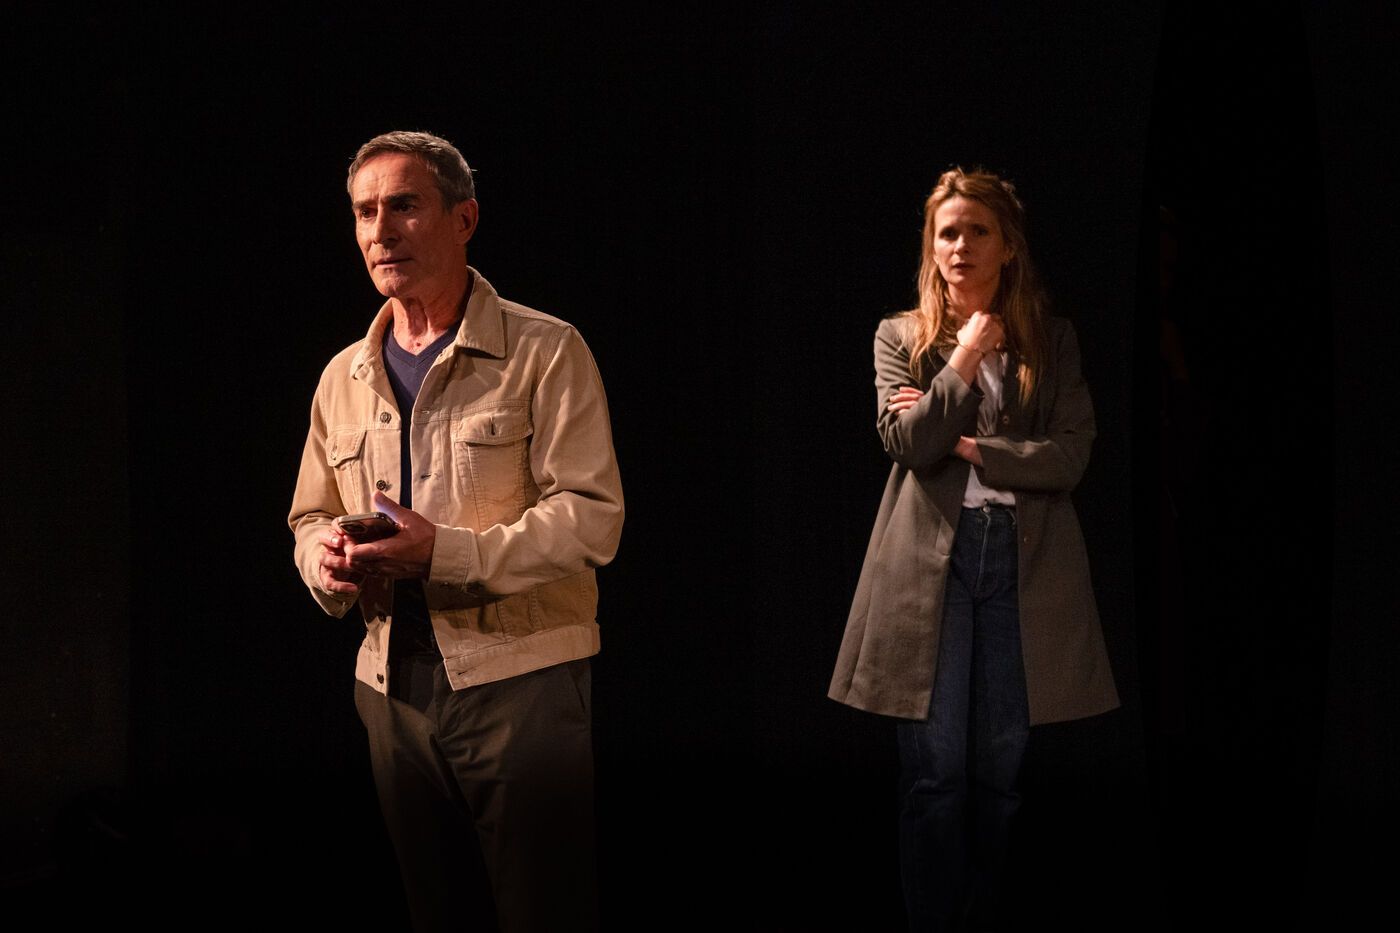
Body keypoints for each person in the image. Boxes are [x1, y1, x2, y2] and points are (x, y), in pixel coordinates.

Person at [288, 130, 624, 932]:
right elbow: (308, 513)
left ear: (464, 218)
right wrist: (323, 558)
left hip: (522, 681)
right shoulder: (344, 375)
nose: (380, 231)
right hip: (390, 692)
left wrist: (446, 551)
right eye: (364, 212)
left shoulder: (545, 350)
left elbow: (592, 514)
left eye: (404, 205)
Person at [828, 167, 1118, 932]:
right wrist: (962, 358)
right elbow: (907, 443)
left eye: (977, 231)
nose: (960, 246)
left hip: (1022, 561)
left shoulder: (1051, 339)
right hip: (933, 564)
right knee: (936, 774)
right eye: (947, 232)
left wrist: (973, 447)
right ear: (931, 246)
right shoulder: (901, 336)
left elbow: (1069, 456)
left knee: (1001, 774)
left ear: (1007, 245)